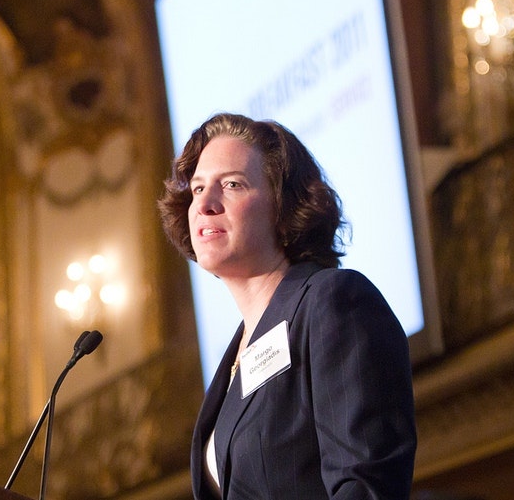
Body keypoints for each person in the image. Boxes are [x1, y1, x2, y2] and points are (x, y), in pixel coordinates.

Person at [159, 113, 417, 500]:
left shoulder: (333, 302)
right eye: (197, 189)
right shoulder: (234, 356)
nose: (205, 204)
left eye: (231, 184)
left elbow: (364, 484)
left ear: (284, 204)